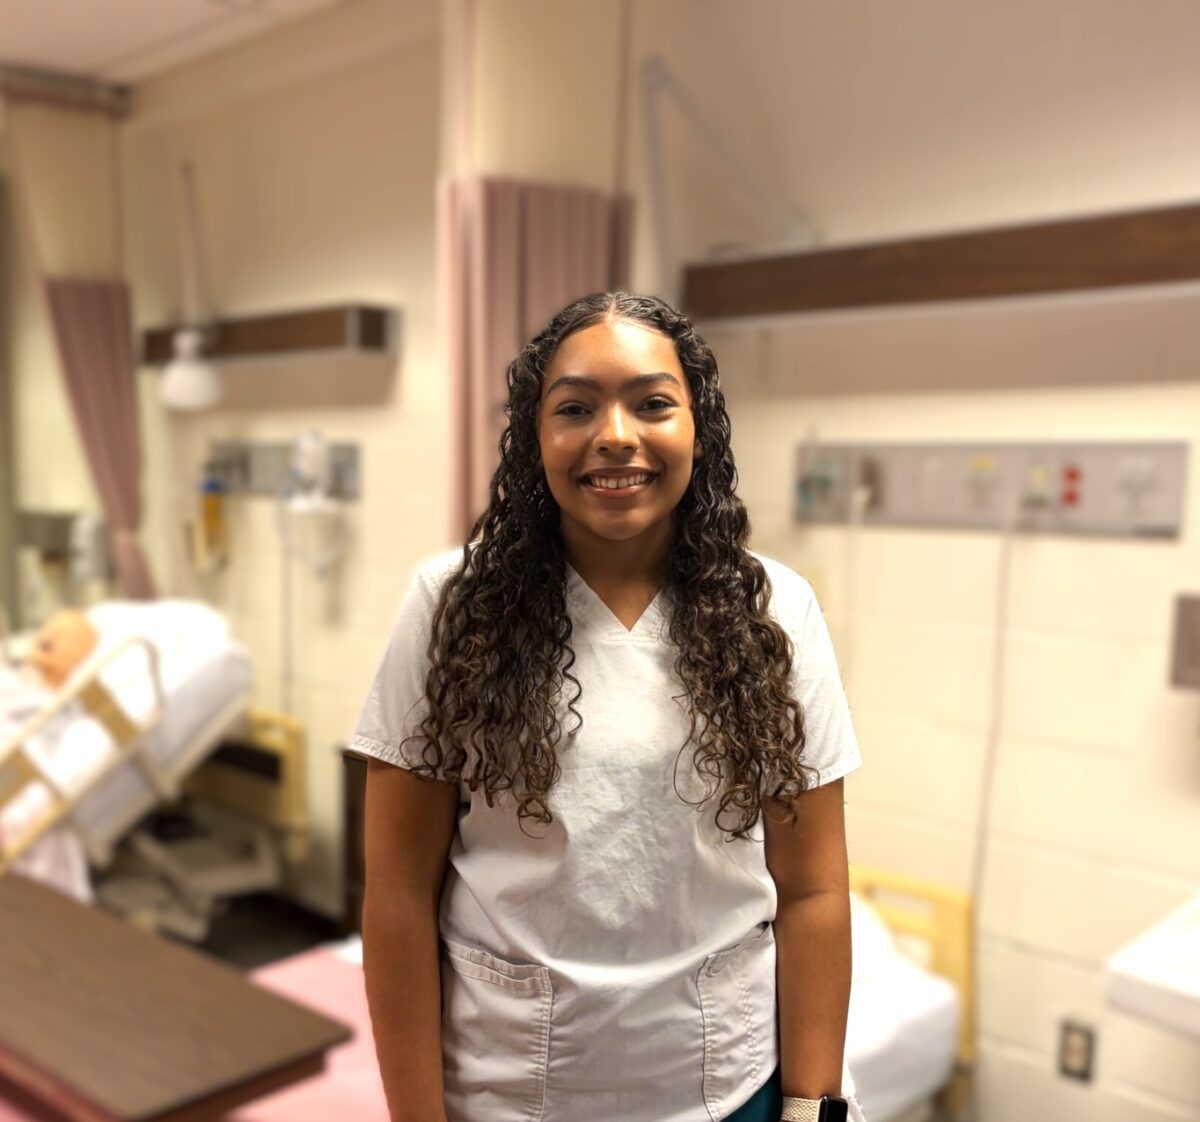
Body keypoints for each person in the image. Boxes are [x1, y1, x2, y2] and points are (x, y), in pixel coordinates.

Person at [352, 292, 865, 1122]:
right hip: (507, 1090)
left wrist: (813, 1110)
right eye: (576, 408)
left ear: (699, 427)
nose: (615, 435)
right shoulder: (452, 603)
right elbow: (398, 897)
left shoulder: (773, 609)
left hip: (724, 1089)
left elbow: (812, 891)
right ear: (534, 438)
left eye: (653, 403)